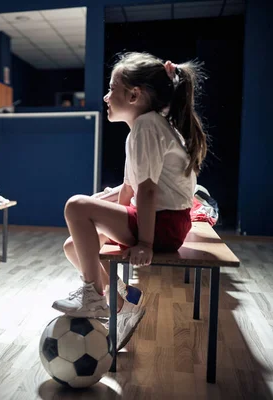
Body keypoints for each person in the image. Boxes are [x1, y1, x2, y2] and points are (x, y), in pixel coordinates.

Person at [53, 52, 208, 351]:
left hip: (162, 225)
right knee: (73, 246)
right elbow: (129, 189)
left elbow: (148, 192)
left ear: (134, 95)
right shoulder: (145, 127)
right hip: (161, 220)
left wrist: (145, 244)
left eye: (112, 88)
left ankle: (93, 295)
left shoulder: (147, 127)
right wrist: (103, 205)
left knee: (75, 205)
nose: (106, 95)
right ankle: (122, 303)